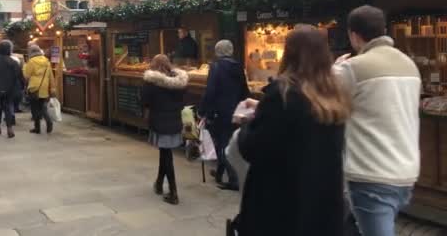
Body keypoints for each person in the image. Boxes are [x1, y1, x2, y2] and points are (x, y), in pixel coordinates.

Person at [233, 26, 350, 236]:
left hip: (282, 209)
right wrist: (262, 110)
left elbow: (253, 148)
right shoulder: (333, 95)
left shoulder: (283, 94)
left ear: (289, 53)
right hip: (321, 208)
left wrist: (244, 123)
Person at [333, 6, 421, 236]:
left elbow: (321, 97)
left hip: (371, 173)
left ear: (353, 35)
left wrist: (334, 68)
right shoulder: (409, 65)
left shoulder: (353, 68)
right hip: (406, 172)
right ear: (383, 30)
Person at [199, 40, 250, 191]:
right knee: (227, 141)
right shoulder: (238, 66)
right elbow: (244, 90)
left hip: (220, 111)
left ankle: (234, 179)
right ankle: (220, 173)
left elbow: (211, 91)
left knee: (222, 143)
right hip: (235, 111)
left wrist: (202, 110)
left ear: (217, 51)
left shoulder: (216, 67)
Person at [142, 54, 188, 205]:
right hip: (175, 120)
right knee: (165, 152)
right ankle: (159, 183)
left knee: (167, 155)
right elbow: (182, 100)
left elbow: (144, 101)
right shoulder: (179, 81)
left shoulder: (151, 82)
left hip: (159, 121)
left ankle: (173, 192)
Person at [23, 45, 55, 134]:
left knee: (35, 108)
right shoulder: (47, 61)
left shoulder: (31, 61)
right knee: (43, 107)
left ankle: (37, 128)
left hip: (34, 88)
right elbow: (51, 76)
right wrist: (52, 88)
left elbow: (26, 76)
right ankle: (49, 121)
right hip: (44, 87)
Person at [0, 40, 21, 138]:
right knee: (8, 108)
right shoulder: (13, 62)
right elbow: (19, 76)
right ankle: (10, 129)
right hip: (10, 89)